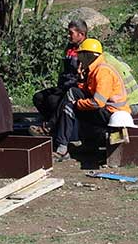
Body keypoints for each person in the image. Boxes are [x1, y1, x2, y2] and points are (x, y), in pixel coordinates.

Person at [67, 38, 131, 158]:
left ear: (89, 55)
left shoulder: (102, 72)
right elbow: (89, 91)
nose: (79, 58)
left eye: (80, 55)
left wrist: (77, 104)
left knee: (81, 111)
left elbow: (98, 102)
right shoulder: (95, 69)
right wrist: (81, 79)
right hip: (111, 109)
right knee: (83, 110)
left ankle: (90, 145)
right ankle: (90, 145)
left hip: (113, 112)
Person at [32, 19, 87, 150]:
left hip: (76, 89)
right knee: (39, 97)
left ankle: (51, 128)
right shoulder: (69, 48)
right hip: (63, 86)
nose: (69, 36)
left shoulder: (87, 49)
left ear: (81, 34)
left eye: (71, 33)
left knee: (54, 101)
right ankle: (52, 128)